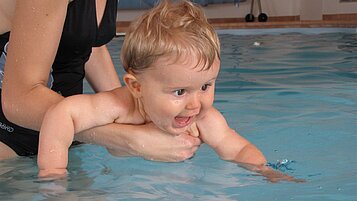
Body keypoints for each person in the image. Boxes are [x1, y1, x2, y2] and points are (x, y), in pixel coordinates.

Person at [37, 0, 303, 183]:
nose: (195, 103)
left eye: (205, 86)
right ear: (136, 87)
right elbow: (62, 114)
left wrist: (266, 171)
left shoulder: (203, 119)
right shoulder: (118, 107)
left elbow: (237, 149)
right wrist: (54, 175)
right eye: (179, 92)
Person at [0, 0, 200, 161]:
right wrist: (129, 139)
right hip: (7, 141)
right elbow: (19, 99)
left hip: (68, 137)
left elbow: (86, 44)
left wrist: (132, 112)